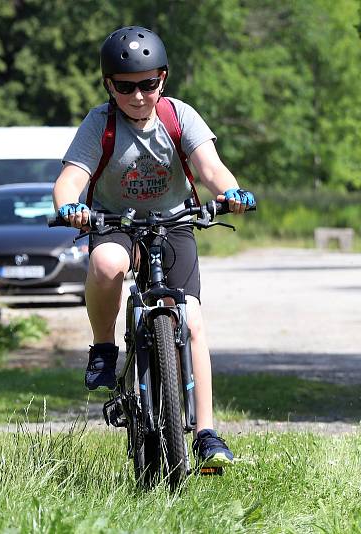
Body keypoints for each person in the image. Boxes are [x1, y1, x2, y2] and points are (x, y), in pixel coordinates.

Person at [52, 26, 256, 470]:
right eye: (125, 86)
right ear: (109, 85)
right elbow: (72, 176)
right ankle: (104, 348)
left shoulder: (178, 115)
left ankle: (205, 432)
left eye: (148, 83)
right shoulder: (99, 123)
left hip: (173, 221)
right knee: (105, 264)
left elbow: (210, 168)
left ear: (163, 78)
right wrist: (69, 205)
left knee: (193, 318)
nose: (139, 95)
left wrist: (232, 193)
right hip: (115, 222)